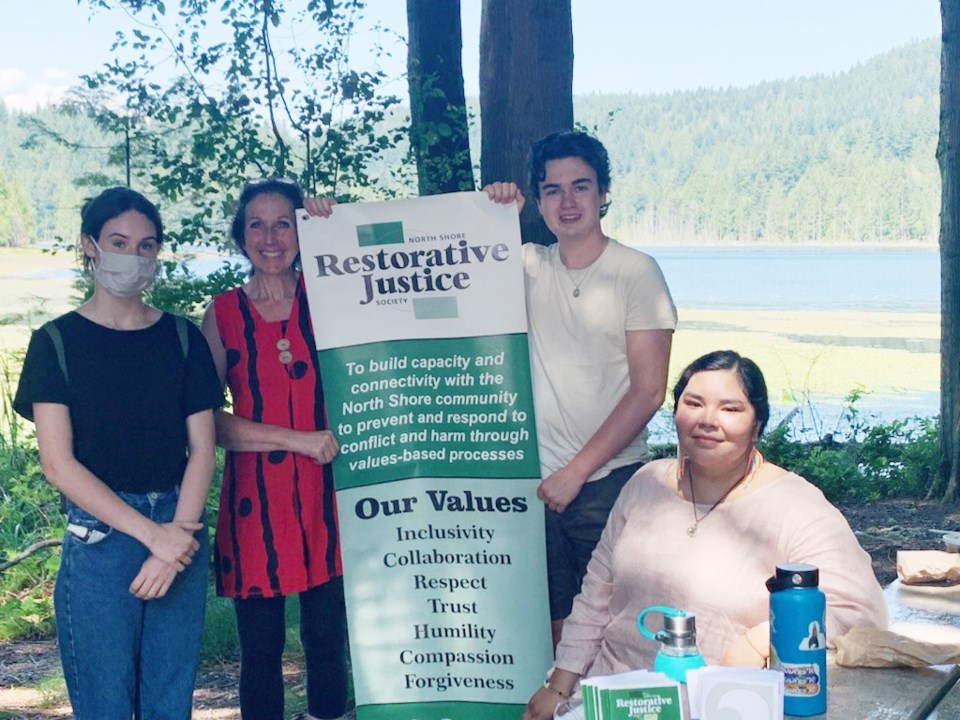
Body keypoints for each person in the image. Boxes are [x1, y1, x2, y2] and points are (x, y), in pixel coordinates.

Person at [520, 350, 889, 720]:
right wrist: (558, 686)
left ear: (757, 424)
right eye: (694, 403)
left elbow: (857, 611)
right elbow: (596, 596)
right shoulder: (645, 483)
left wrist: (761, 639)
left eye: (730, 409)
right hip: (611, 700)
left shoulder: (795, 505)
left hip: (720, 706)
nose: (708, 420)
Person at [13, 187, 223, 719]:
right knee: (105, 703)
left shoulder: (181, 338)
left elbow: (202, 447)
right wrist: (153, 537)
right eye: (119, 242)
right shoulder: (55, 343)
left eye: (147, 245)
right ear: (90, 246)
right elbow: (58, 464)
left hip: (181, 531)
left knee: (168, 702)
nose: (134, 256)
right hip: (103, 540)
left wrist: (175, 536)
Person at [485, 130, 677, 645]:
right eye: (552, 190)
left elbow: (648, 391)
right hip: (535, 488)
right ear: (539, 200)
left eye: (581, 186)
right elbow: (440, 260)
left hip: (608, 483)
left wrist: (576, 472)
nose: (567, 202)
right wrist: (494, 215)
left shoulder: (636, 273)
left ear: (603, 193)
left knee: (614, 628)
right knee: (553, 630)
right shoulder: (523, 265)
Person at [200, 178, 347, 720]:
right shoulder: (221, 314)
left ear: (301, 232)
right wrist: (296, 439)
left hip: (325, 495)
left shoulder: (333, 297)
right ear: (241, 236)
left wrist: (335, 225)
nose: (270, 237)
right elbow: (207, 421)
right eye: (256, 224)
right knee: (259, 650)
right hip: (253, 503)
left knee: (327, 638)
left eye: (284, 222)